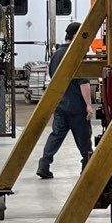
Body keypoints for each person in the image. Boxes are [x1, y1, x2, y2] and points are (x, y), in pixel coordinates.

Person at [36, 22, 94, 179]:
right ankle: (87, 166)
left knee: (56, 136)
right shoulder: (76, 54)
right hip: (77, 107)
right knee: (84, 138)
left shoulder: (56, 55)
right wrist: (89, 105)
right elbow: (83, 82)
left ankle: (44, 165)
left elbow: (52, 77)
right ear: (76, 36)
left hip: (60, 105)